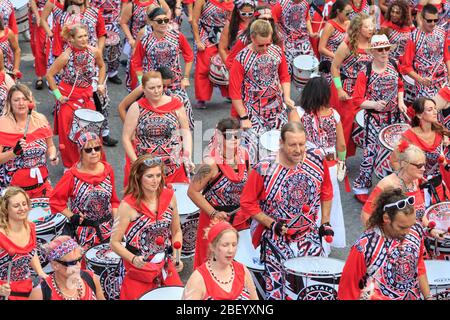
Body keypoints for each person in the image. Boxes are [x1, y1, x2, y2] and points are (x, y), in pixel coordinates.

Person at [240, 121, 334, 300]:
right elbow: (247, 202)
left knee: (313, 288)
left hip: (309, 236)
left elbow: (327, 190)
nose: (298, 149)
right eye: (292, 144)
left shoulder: (316, 158)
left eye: (302, 144)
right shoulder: (264, 168)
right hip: (277, 241)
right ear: (281, 143)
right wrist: (271, 223)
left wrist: (325, 222)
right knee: (278, 292)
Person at [110, 154, 184, 300]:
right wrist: (133, 259)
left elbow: (176, 231)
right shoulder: (127, 205)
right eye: (150, 176)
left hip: (165, 266)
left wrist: (177, 256)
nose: (156, 180)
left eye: (158, 175)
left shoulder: (169, 196)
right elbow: (114, 243)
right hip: (139, 272)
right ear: (138, 177)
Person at [338, 188, 432, 300]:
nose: (407, 232)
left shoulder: (415, 230)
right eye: (402, 227)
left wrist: (428, 296)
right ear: (386, 218)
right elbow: (347, 292)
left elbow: (418, 265)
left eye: (410, 225)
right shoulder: (363, 248)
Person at [188, 118, 251, 268]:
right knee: (212, 264)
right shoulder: (210, 163)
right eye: (229, 137)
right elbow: (192, 191)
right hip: (214, 220)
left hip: (239, 219)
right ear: (218, 136)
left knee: (238, 262)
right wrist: (213, 213)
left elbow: (248, 184)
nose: (234, 140)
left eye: (237, 136)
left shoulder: (245, 155)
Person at [351, 34, 407, 203]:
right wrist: (374, 104)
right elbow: (357, 100)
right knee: (370, 152)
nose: (384, 52)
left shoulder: (394, 65)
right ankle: (362, 186)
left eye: (386, 49)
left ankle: (393, 188)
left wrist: (401, 102)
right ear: (373, 52)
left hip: (393, 117)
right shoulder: (365, 72)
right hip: (374, 119)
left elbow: (400, 86)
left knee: (395, 153)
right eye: (380, 50)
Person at [297, 76, 347, 254]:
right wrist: (342, 162)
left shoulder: (298, 113)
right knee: (329, 202)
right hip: (331, 165)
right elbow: (341, 144)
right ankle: (326, 241)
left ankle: (309, 244)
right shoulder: (334, 114)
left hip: (308, 165)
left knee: (308, 203)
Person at [46, 24, 106, 169]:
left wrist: (100, 84)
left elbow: (102, 66)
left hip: (86, 96)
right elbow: (49, 75)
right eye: (80, 36)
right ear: (71, 39)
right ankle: (70, 166)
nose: (84, 39)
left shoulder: (94, 51)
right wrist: (58, 95)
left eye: (86, 35)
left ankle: (90, 162)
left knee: (91, 131)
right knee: (68, 135)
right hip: (68, 98)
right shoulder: (66, 56)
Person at [49, 132, 119, 253]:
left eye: (97, 148)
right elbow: (56, 201)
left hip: (108, 229)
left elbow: (114, 201)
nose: (93, 152)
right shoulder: (71, 175)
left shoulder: (107, 170)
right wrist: (72, 216)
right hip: (84, 233)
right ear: (80, 152)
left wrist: (118, 225)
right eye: (88, 150)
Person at [122, 71, 194, 186]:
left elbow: (186, 133)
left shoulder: (176, 104)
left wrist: (187, 156)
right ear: (144, 89)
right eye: (152, 88)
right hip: (146, 169)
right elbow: (126, 138)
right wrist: (135, 162)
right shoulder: (136, 107)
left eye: (159, 87)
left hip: (174, 168)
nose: (157, 91)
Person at [132, 7, 194, 129]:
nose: (164, 23)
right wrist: (142, 82)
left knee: (184, 117)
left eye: (166, 20)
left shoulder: (177, 36)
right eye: (159, 21)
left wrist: (186, 77)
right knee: (153, 120)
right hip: (154, 86)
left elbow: (189, 56)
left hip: (175, 84)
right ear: (150, 22)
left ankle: (183, 143)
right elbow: (136, 62)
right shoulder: (145, 40)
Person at [229, 20, 296, 133]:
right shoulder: (241, 58)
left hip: (277, 110)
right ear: (252, 38)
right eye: (260, 45)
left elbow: (284, 76)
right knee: (256, 147)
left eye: (268, 44)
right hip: (253, 112)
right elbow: (234, 90)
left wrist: (287, 97)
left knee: (280, 145)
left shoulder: (277, 51)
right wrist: (244, 117)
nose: (265, 48)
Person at [0, 84, 58, 198]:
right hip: (13, 192)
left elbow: (50, 146)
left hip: (42, 185)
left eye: (24, 99)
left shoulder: (41, 120)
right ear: (9, 103)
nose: (21, 103)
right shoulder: (2, 124)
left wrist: (52, 156)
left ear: (30, 101)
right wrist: (13, 152)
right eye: (16, 100)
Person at [330, 13, 374, 158]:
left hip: (365, 91)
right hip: (347, 90)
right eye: (366, 26)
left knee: (364, 125)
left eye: (371, 25)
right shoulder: (347, 45)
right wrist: (339, 89)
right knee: (345, 127)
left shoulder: (374, 43)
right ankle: (340, 159)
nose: (370, 29)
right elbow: (334, 67)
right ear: (358, 28)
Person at [391, 97, 450, 206]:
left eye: (435, 108)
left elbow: (442, 154)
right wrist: (408, 178)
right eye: (430, 109)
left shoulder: (439, 130)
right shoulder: (408, 136)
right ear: (419, 115)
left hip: (437, 185)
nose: (435, 112)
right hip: (416, 189)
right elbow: (394, 161)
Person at [182, 221, 258, 300]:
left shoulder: (242, 270)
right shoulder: (198, 279)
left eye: (234, 245)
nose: (231, 250)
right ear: (212, 247)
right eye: (225, 245)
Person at [361, 143, 427, 225]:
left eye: (424, 165)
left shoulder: (415, 181)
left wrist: (430, 229)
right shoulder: (387, 184)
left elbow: (420, 213)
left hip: (418, 234)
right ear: (404, 163)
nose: (423, 169)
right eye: (419, 165)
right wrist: (384, 236)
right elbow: (366, 215)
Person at [0, 187, 47, 300]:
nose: (22, 208)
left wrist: (41, 272)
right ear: (6, 209)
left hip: (26, 286)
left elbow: (31, 252)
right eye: (16, 206)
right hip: (5, 291)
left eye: (24, 204)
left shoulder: (30, 227)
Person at [29, 236, 105, 300]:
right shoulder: (40, 294)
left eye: (79, 260)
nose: (78, 265)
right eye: (72, 263)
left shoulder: (91, 278)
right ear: (55, 265)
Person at [400, 4, 449, 99]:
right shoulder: (413, 37)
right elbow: (406, 66)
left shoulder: (442, 31)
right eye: (429, 20)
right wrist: (421, 80)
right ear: (422, 19)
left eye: (436, 20)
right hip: (425, 83)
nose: (433, 23)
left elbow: (446, 56)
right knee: (429, 111)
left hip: (443, 80)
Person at [192, 0, 234, 109]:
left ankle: (230, 92)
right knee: (204, 67)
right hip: (206, 34)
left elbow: (234, 20)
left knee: (225, 64)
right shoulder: (202, 1)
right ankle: (202, 98)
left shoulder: (230, 1)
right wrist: (197, 40)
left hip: (225, 35)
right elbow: (195, 20)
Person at [271, 0, 319, 75]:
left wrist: (311, 33)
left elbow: (306, 18)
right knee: (287, 72)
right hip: (287, 42)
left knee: (312, 68)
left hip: (303, 41)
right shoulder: (280, 4)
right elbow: (273, 21)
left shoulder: (305, 3)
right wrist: (281, 35)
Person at [90, 0, 124, 85]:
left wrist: (121, 16)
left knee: (114, 46)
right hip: (94, 19)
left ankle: (112, 73)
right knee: (94, 46)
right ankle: (93, 73)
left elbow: (125, 2)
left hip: (113, 22)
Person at [318, 0, 352, 83]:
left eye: (351, 12)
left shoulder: (349, 23)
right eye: (347, 13)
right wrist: (336, 57)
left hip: (344, 56)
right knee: (336, 82)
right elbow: (321, 48)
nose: (350, 15)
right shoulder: (330, 25)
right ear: (338, 12)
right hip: (330, 57)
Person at [218, 0, 256, 66]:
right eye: (243, 14)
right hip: (235, 63)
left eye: (250, 13)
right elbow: (222, 48)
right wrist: (229, 66)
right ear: (238, 11)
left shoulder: (257, 22)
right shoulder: (230, 24)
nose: (247, 16)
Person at [29, 0, 50, 90]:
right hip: (41, 14)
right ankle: (40, 76)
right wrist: (38, 17)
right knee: (40, 46)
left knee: (55, 48)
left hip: (58, 14)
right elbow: (33, 1)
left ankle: (53, 75)